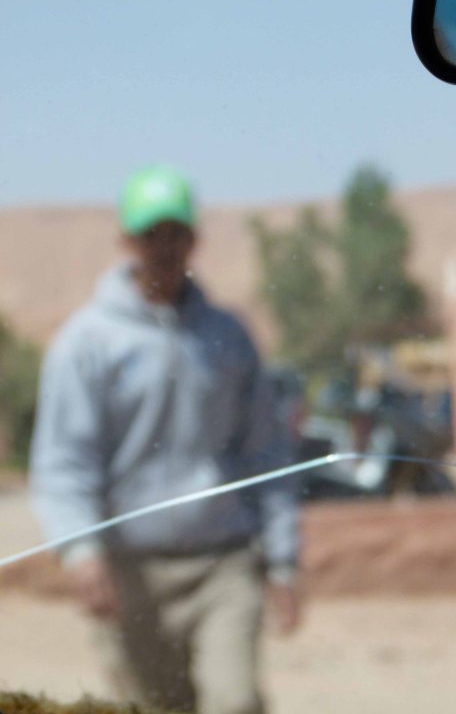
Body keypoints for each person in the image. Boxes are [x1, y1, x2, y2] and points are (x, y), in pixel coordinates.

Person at [29, 166, 301, 714]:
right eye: (152, 234)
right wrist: (81, 550)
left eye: (177, 233)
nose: (165, 247)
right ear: (127, 242)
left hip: (223, 564)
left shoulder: (228, 337)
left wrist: (283, 561)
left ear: (194, 240)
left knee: (235, 700)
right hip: (131, 570)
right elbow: (65, 462)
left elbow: (267, 452)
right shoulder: (87, 342)